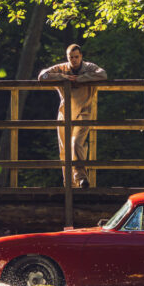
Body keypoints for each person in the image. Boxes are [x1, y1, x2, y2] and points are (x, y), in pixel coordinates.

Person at [38, 44, 107, 187]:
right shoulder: (62, 68)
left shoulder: (89, 67)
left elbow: (103, 74)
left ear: (81, 56)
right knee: (64, 150)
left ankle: (81, 178)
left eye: (76, 57)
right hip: (65, 113)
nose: (74, 60)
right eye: (71, 57)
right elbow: (42, 76)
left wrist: (81, 79)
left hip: (84, 112)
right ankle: (68, 184)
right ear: (67, 57)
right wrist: (63, 77)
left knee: (76, 144)